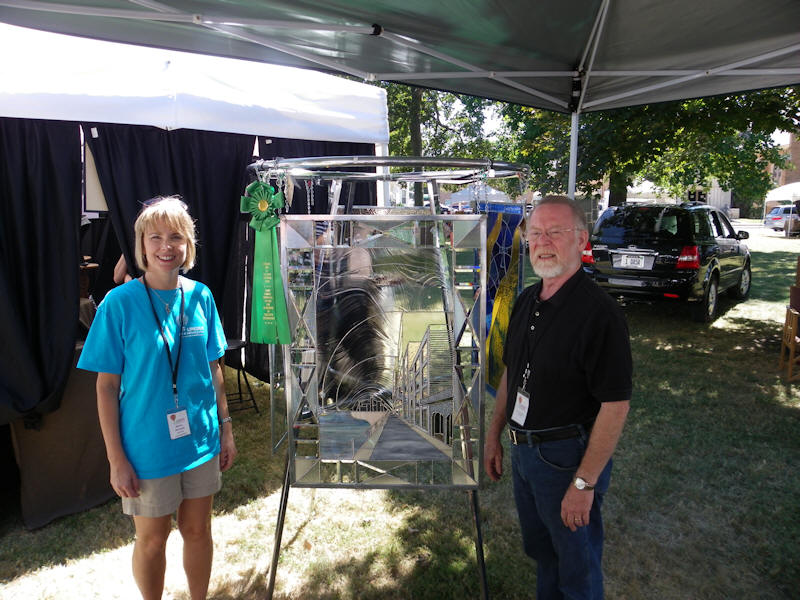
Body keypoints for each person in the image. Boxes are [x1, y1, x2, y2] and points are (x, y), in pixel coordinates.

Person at [78, 196, 237, 600]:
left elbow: (214, 369)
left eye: (176, 237)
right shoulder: (118, 304)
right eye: (156, 237)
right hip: (146, 447)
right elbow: (105, 387)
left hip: (200, 440)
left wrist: (226, 428)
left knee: (198, 530)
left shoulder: (201, 296)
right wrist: (116, 459)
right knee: (152, 540)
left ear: (188, 244)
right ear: (142, 245)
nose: (166, 246)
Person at [484, 195, 631, 600]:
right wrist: (494, 434)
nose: (542, 242)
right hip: (524, 454)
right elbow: (512, 372)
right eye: (535, 233)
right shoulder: (527, 300)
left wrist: (583, 484)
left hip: (566, 458)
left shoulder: (600, 314)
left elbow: (615, 406)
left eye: (554, 232)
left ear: (581, 239)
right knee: (544, 554)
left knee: (576, 569)